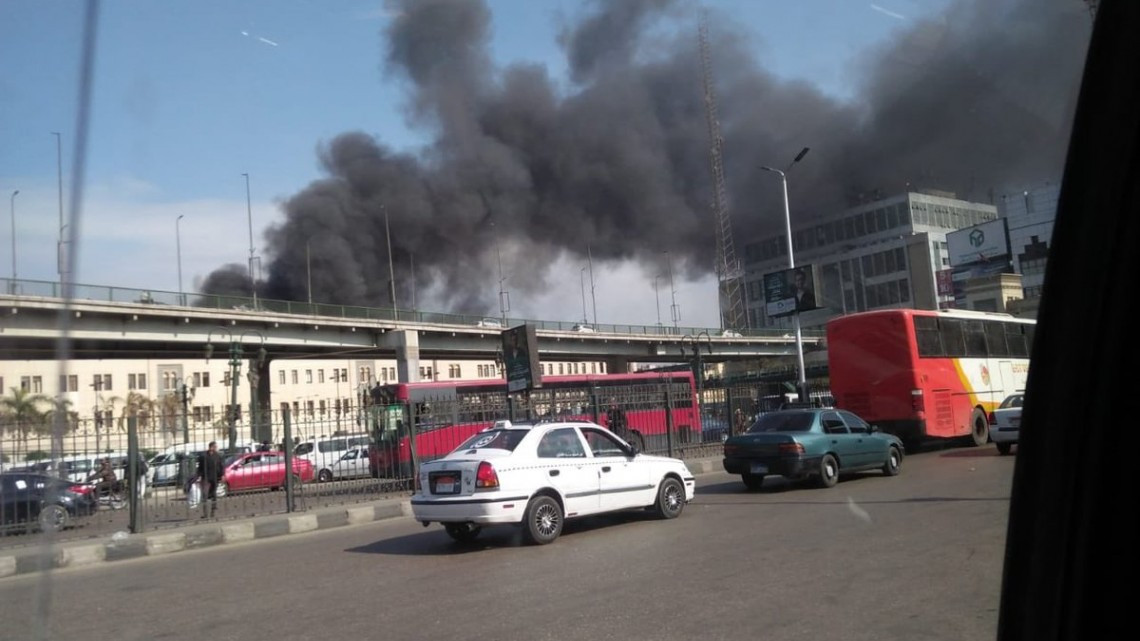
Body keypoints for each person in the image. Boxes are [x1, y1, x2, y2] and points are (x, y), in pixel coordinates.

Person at [196, 441, 225, 518]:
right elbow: (200, 468)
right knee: (205, 495)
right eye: (215, 447)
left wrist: (222, 475)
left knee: (214, 494)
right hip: (206, 477)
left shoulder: (217, 456)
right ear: (211, 447)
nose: (216, 448)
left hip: (215, 477)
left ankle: (213, 511)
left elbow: (221, 466)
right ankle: (205, 514)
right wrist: (198, 476)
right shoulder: (204, 456)